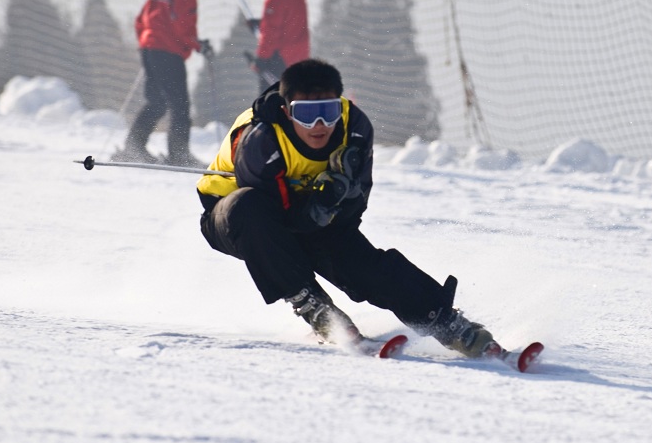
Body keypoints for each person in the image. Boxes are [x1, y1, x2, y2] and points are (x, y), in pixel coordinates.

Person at [196, 57, 500, 359]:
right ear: (287, 112)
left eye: (327, 112)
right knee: (249, 207)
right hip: (236, 222)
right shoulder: (261, 141)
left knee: (363, 266)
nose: (319, 126)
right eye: (306, 115)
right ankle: (312, 305)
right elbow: (279, 227)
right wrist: (322, 201)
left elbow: (352, 214)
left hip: (314, 218)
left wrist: (339, 195)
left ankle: (447, 322)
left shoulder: (353, 129)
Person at [115, 0, 210, 167]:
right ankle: (179, 155)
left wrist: (147, 43)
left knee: (157, 101)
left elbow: (141, 19)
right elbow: (181, 24)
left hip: (151, 49)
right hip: (168, 51)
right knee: (180, 105)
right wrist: (197, 45)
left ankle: (133, 146)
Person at [247, 0, 309, 92]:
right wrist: (262, 24)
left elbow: (271, 31)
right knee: (291, 98)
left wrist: (261, 58)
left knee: (269, 100)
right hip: (298, 57)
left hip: (280, 58)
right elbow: (287, 22)